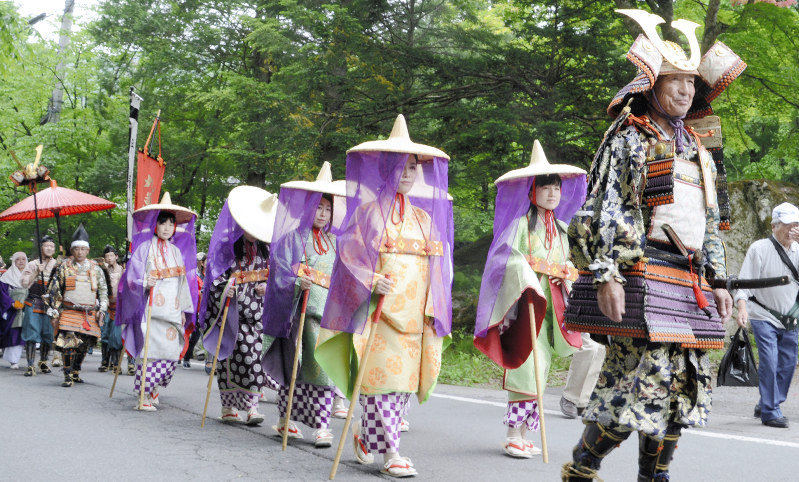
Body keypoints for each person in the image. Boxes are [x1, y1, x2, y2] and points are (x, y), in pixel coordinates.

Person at [560, 10, 744, 481]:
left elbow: (708, 222)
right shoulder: (632, 138)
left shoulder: (700, 149)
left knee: (679, 387)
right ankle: (583, 467)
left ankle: (654, 476)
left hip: (688, 282)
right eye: (673, 80)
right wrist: (605, 273)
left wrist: (717, 279)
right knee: (637, 386)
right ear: (652, 86)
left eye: (689, 81)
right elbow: (606, 208)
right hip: (641, 275)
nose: (684, 90)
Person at [316, 115, 453, 477]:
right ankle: (392, 452)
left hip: (414, 314)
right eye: (399, 167)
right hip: (377, 311)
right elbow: (348, 258)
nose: (406, 174)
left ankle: (368, 437)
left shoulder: (425, 219)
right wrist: (369, 279)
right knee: (381, 383)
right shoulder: (367, 213)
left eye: (412, 168)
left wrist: (436, 302)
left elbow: (439, 265)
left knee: (403, 387)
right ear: (384, 169)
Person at [474, 141, 587, 458]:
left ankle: (524, 433)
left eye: (556, 188)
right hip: (527, 304)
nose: (552, 194)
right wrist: (528, 278)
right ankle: (512, 433)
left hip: (553, 308)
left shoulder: (564, 230)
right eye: (545, 188)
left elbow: (572, 268)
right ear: (532, 191)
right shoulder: (520, 226)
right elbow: (506, 260)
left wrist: (567, 274)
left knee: (542, 368)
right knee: (525, 366)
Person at [262, 162, 346, 447]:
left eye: (327, 209)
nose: (322, 214)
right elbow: (280, 273)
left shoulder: (336, 243)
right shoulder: (292, 239)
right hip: (299, 314)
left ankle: (322, 426)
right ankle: (286, 419)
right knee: (295, 369)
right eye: (317, 207)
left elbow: (343, 277)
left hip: (327, 317)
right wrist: (298, 283)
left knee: (324, 370)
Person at [201, 186, 276, 425]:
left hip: (258, 314)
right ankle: (228, 406)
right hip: (232, 313)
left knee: (254, 359)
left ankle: (252, 407)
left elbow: (272, 276)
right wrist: (225, 288)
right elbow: (214, 277)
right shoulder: (227, 247)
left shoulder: (266, 248)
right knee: (229, 361)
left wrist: (267, 286)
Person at [118, 192, 198, 411]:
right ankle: (143, 395)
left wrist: (184, 308)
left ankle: (153, 389)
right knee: (150, 353)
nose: (167, 227)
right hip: (150, 309)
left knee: (171, 353)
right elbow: (130, 279)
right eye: (163, 222)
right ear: (155, 225)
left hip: (172, 311)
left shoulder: (176, 252)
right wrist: (146, 280)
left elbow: (183, 282)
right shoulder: (144, 249)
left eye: (171, 223)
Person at [734, 202, 799, 429]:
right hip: (763, 315)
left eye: (796, 225)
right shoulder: (759, 249)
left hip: (791, 317)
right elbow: (743, 284)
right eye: (787, 225)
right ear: (774, 226)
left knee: (788, 364)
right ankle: (770, 412)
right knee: (770, 361)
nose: (792, 229)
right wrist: (742, 309)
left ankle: (767, 402)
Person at [47, 224, 109, 387]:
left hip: (89, 312)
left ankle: (75, 371)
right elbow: (54, 290)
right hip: (69, 310)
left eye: (83, 249)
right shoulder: (63, 267)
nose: (80, 252)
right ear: (72, 250)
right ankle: (67, 374)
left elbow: (103, 291)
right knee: (69, 342)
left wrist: (102, 309)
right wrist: (54, 309)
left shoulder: (97, 269)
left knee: (84, 344)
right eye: (77, 249)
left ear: (87, 250)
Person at [20, 235, 58, 376]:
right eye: (46, 246)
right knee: (31, 333)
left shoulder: (58, 264)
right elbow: (23, 283)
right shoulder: (33, 264)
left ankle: (43, 361)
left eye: (51, 246)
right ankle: (30, 365)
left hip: (50, 304)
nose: (49, 248)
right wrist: (37, 271)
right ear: (41, 248)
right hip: (34, 301)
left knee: (48, 334)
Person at [1, 253, 29, 369]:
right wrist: (11, 303)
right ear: (14, 261)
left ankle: (19, 359)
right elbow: (2, 293)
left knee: (23, 333)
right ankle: (13, 360)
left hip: (27, 307)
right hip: (12, 308)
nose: (21, 261)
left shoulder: (31, 276)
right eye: (18, 259)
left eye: (23, 259)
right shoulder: (6, 277)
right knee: (13, 332)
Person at [99, 245, 124, 373]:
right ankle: (104, 361)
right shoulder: (102, 271)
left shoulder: (123, 271)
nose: (109, 258)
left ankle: (115, 363)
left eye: (111, 255)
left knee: (115, 336)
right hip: (105, 305)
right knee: (104, 334)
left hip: (118, 307)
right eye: (106, 256)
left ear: (116, 256)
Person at [182, 252, 207, 369]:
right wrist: (201, 293)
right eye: (207, 261)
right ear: (202, 263)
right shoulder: (194, 275)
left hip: (207, 308)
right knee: (195, 333)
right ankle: (186, 356)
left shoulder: (212, 275)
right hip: (195, 308)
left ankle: (208, 360)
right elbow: (191, 291)